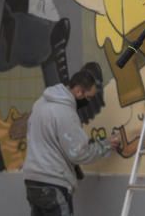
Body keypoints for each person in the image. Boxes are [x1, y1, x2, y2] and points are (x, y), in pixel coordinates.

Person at [23, 65, 122, 215]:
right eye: (88, 97)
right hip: (53, 183)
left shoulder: (40, 104)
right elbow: (79, 153)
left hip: (32, 180)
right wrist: (106, 145)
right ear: (78, 91)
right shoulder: (65, 113)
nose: (89, 102)